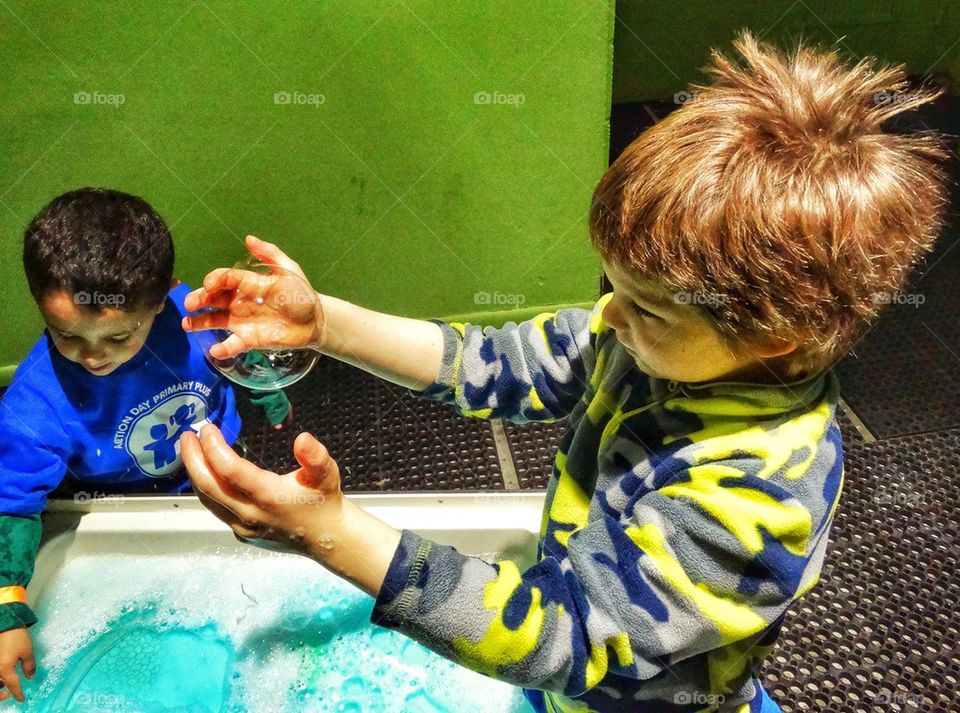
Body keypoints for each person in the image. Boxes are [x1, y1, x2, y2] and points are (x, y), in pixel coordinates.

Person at [179, 31, 948, 713]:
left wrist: (330, 533)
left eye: (650, 310)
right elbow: (493, 365)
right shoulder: (661, 345)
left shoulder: (757, 498)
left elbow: (566, 636)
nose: (610, 314)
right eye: (616, 286)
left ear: (777, 337)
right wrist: (326, 324)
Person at [0, 188, 290, 704]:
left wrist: (268, 392)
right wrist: (6, 610)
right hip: (115, 493)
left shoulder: (194, 316)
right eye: (65, 334)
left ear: (162, 300)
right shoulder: (33, 406)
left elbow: (239, 354)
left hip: (216, 457)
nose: (91, 356)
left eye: (117, 338)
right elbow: (10, 505)